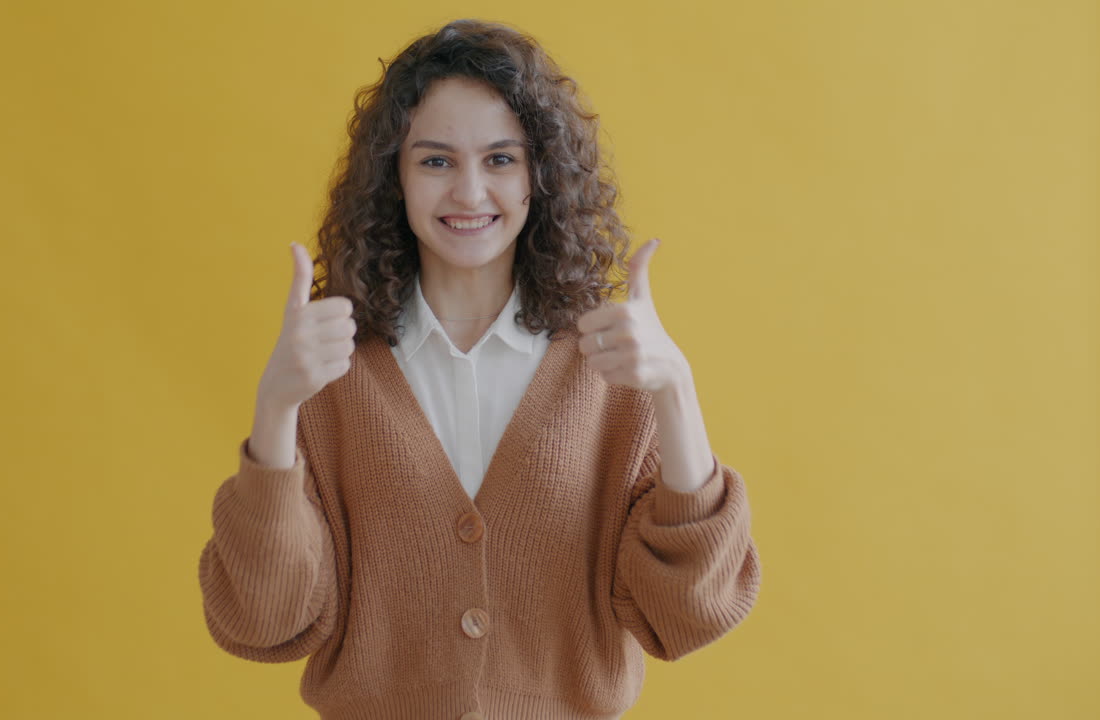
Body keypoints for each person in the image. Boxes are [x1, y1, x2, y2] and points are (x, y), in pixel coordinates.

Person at [197, 18, 760, 719]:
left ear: (539, 177)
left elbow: (689, 613)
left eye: (500, 160)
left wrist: (676, 391)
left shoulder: (611, 366)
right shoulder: (331, 370)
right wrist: (276, 410)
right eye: (435, 161)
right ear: (394, 178)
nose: (469, 193)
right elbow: (261, 619)